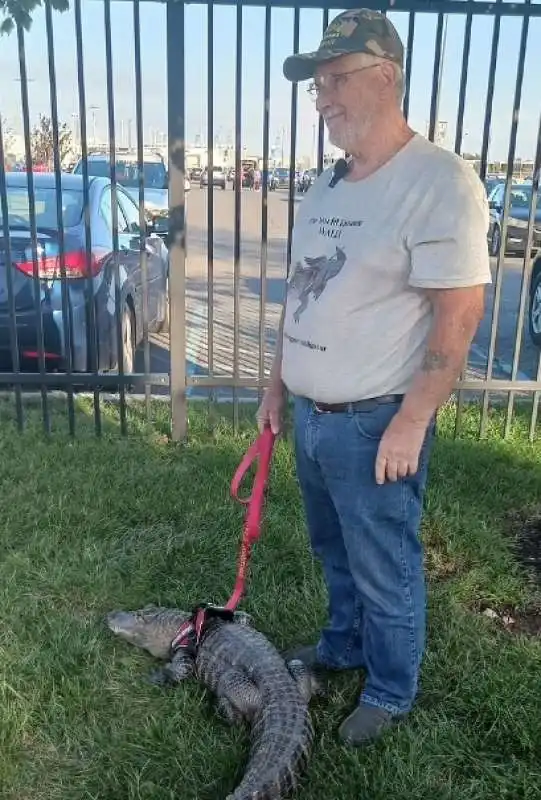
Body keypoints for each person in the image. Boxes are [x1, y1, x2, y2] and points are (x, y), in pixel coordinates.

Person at [256, 9, 491, 746]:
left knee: (385, 563)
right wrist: (275, 383)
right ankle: (343, 646)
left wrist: (413, 418)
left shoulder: (438, 182)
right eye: (315, 84)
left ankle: (389, 691)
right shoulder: (330, 184)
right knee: (332, 550)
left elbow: (458, 316)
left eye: (335, 80)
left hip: (373, 421)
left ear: (384, 77)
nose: (322, 97)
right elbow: (301, 291)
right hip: (311, 412)